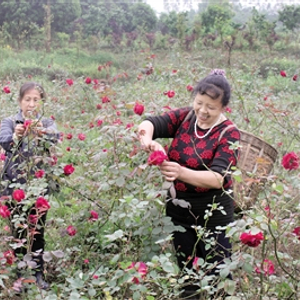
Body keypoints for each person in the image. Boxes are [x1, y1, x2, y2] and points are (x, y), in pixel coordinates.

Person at [138, 70, 240, 299]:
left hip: (213, 214)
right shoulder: (185, 118)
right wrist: (148, 142)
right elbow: (149, 123)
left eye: (211, 107)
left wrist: (180, 172)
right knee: (188, 275)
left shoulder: (229, 133)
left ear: (223, 107)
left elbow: (218, 178)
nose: (203, 111)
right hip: (178, 210)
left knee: (218, 276)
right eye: (199, 103)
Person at [0, 82, 59, 291]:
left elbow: (56, 138)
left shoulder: (46, 123)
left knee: (37, 232)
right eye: (27, 99)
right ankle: (20, 277)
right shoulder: (10, 122)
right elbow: (4, 141)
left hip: (38, 189)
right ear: (20, 101)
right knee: (19, 232)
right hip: (14, 188)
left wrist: (41, 132)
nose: (31, 104)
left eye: (36, 99)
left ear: (41, 102)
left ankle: (37, 274)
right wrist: (17, 135)